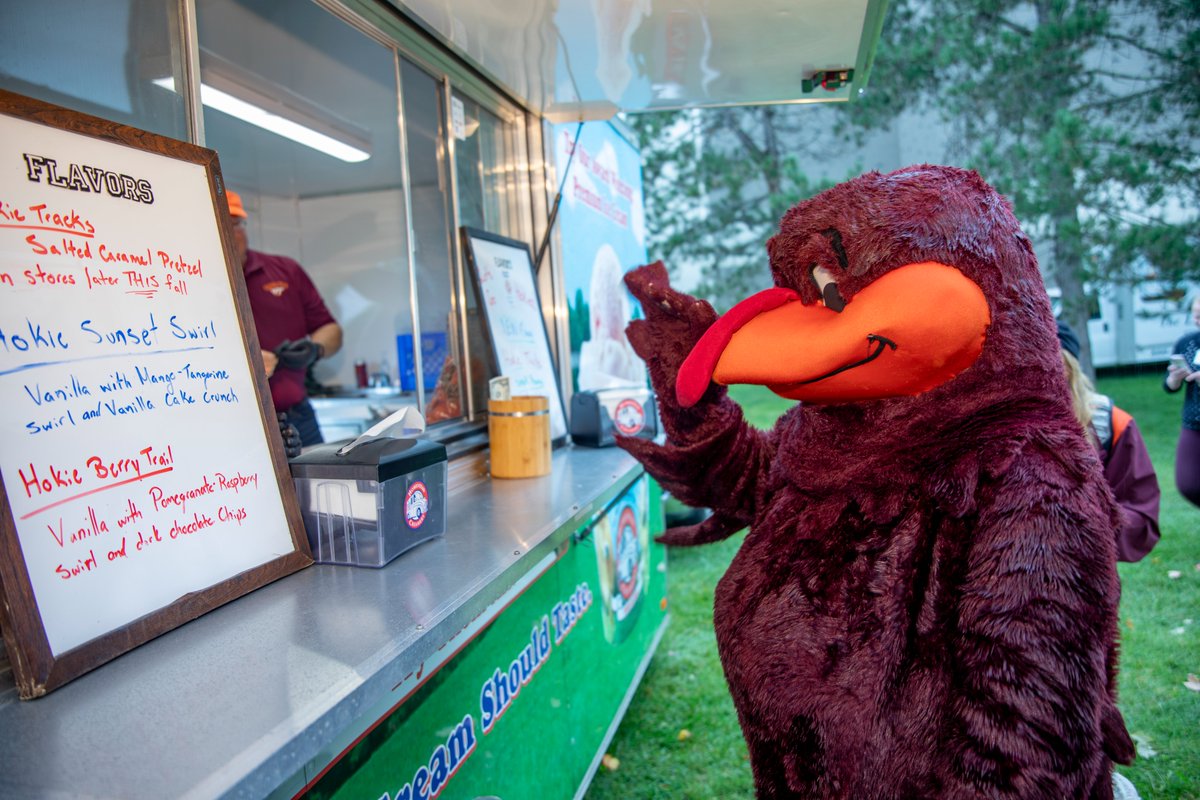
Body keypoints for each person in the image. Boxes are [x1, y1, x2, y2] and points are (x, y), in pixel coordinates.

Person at [227, 190, 342, 446]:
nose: (231, 233)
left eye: (235, 224)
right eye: (222, 225)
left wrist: (314, 349)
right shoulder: (194, 283)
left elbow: (330, 329)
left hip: (298, 418)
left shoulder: (285, 271)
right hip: (237, 425)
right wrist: (245, 363)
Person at [1058, 321, 1161, 561]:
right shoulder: (997, 421)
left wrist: (1086, 524)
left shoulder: (1110, 422)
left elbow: (1141, 514)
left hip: (1086, 568)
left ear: (1068, 367)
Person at [1164, 295, 1200, 508]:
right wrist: (1174, 379)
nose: (1197, 321)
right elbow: (1169, 386)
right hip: (1193, 422)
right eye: (1195, 316)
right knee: (1188, 483)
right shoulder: (1186, 343)